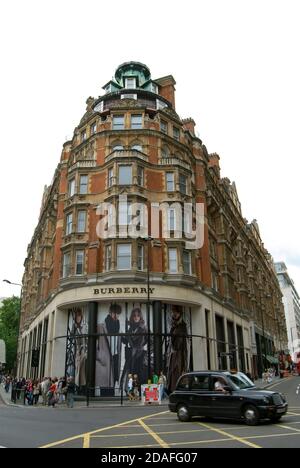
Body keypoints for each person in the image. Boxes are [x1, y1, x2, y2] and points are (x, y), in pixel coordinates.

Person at [95, 303, 122, 392]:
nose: (116, 315)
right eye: (114, 313)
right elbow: (94, 341)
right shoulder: (101, 326)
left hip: (115, 356)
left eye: (118, 313)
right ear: (110, 312)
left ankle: (111, 396)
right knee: (105, 383)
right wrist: (99, 355)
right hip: (105, 357)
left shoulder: (118, 325)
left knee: (113, 381)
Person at [121, 307, 148, 392]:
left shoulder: (144, 328)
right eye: (134, 316)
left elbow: (150, 341)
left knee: (139, 375)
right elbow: (128, 340)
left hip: (140, 355)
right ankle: (130, 392)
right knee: (130, 375)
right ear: (132, 317)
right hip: (131, 355)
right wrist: (122, 338)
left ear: (140, 317)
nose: (136, 317)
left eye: (138, 315)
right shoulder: (130, 329)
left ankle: (138, 392)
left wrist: (145, 351)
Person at [166, 305, 188, 393]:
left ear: (180, 314)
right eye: (173, 312)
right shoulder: (174, 325)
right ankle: (172, 389)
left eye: (176, 312)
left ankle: (176, 390)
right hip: (174, 352)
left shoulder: (182, 326)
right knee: (172, 371)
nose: (174, 314)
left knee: (176, 371)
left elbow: (181, 342)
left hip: (179, 353)